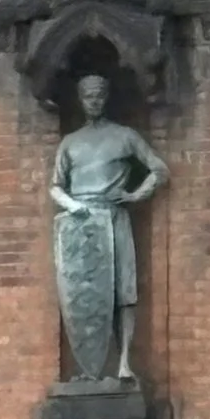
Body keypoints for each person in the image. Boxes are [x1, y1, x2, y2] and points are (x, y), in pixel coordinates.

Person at [51, 72, 168, 383]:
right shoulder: (70, 143)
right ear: (80, 99)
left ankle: (124, 362)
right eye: (88, 96)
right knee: (86, 295)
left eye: (99, 96)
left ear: (106, 98)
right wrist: (73, 206)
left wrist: (134, 195)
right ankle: (89, 367)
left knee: (123, 292)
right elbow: (55, 187)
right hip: (82, 224)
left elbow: (159, 170)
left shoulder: (125, 136)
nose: (94, 101)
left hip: (114, 217)